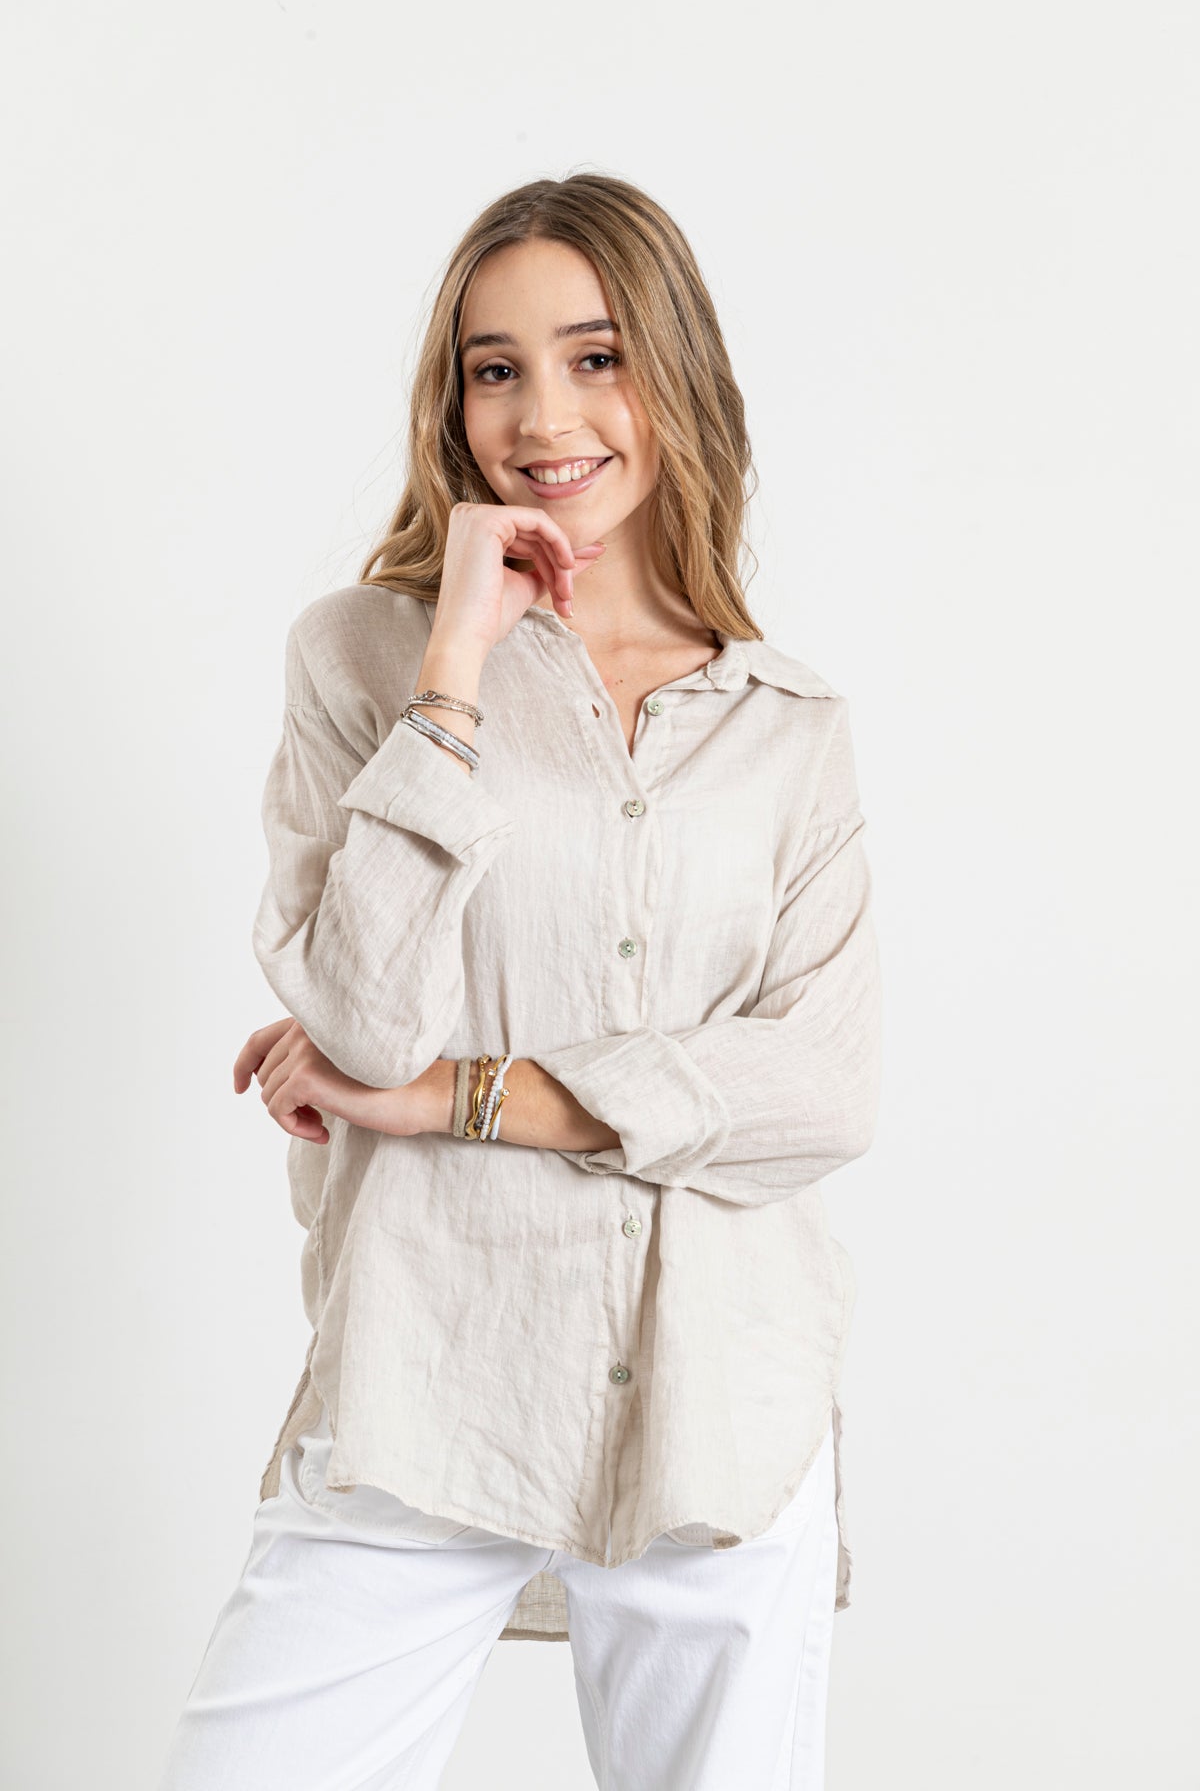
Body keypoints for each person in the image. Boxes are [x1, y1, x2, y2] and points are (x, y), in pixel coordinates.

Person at [155, 170, 883, 1791]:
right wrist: (458, 669)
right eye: (497, 369)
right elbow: (362, 1023)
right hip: (430, 1377)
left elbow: (824, 1092)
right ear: (455, 400)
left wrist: (454, 1099)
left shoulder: (791, 728)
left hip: (720, 1405)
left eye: (595, 356)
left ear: (675, 374)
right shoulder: (364, 658)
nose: (544, 415)